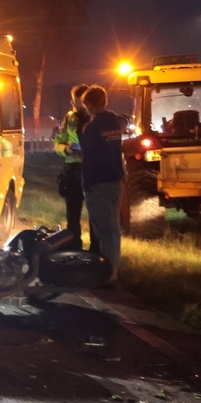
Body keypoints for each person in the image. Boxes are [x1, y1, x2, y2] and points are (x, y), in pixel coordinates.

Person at [79, 84, 128, 284]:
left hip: (98, 183)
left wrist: (86, 183)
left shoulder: (91, 128)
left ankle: (108, 274)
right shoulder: (115, 123)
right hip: (115, 180)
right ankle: (111, 269)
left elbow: (89, 159)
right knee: (113, 228)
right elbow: (124, 120)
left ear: (89, 104)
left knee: (104, 230)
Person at [52, 83, 90, 251]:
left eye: (77, 102)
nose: (74, 105)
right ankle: (74, 247)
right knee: (72, 214)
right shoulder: (69, 118)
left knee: (95, 213)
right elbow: (58, 142)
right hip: (72, 169)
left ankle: (96, 249)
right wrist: (66, 150)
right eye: (73, 101)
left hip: (90, 169)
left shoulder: (94, 118)